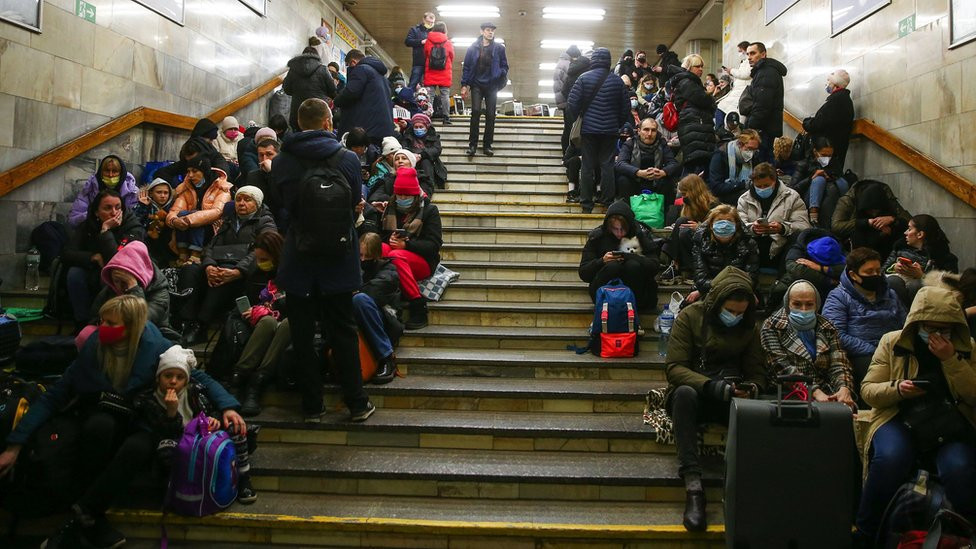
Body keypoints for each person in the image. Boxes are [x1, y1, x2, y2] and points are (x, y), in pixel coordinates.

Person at [0, 295, 236, 548]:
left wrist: (228, 406)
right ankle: (93, 516)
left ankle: (82, 517)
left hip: (142, 419)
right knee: (99, 426)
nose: (103, 327)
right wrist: (15, 445)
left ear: (132, 326)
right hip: (103, 419)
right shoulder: (93, 347)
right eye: (102, 320)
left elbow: (199, 376)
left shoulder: (156, 346)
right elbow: (55, 395)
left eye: (112, 323)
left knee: (139, 446)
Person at [271, 98, 374, 422]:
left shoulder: (282, 161)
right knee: (342, 330)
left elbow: (281, 207)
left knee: (301, 334)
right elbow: (354, 202)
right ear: (329, 123)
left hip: (299, 258)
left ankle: (312, 406)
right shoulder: (346, 159)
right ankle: (356, 403)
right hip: (338, 256)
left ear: (300, 123)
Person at [854, 286, 976, 544]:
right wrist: (898, 389)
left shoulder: (968, 348)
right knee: (891, 459)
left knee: (960, 468)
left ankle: (964, 535)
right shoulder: (893, 342)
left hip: (949, 422)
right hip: (899, 417)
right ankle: (865, 533)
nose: (936, 336)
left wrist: (951, 359)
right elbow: (868, 391)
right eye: (930, 329)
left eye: (944, 330)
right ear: (917, 324)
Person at [665, 266, 766, 532]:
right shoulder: (690, 316)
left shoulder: (749, 327)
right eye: (730, 311)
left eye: (740, 312)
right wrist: (710, 386)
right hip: (696, 390)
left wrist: (751, 388)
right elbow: (675, 368)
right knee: (684, 395)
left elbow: (757, 373)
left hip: (730, 394)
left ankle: (745, 490)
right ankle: (693, 485)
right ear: (717, 301)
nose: (735, 316)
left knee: (753, 410)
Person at [132, 345, 255, 504]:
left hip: (202, 437)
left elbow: (210, 411)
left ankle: (244, 478)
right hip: (179, 441)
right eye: (168, 376)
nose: (173, 381)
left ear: (186, 380)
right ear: (158, 377)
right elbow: (164, 433)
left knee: (235, 425)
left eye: (180, 377)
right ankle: (176, 488)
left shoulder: (194, 391)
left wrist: (213, 419)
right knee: (165, 447)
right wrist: (171, 412)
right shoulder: (148, 399)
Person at [177, 186, 276, 346]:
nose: (241, 203)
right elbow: (211, 246)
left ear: (257, 203)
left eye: (247, 199)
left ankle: (202, 325)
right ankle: (187, 322)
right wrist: (209, 266)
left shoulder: (265, 222)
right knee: (189, 270)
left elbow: (262, 251)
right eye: (238, 199)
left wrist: (238, 271)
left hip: (244, 272)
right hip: (219, 264)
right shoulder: (229, 220)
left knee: (222, 279)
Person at [761, 280, 856, 408]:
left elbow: (838, 363)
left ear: (816, 305)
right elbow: (782, 367)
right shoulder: (772, 326)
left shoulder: (828, 327)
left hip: (826, 390)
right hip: (786, 391)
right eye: (797, 304)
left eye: (809, 304)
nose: (804, 310)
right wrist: (815, 392)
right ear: (787, 304)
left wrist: (844, 388)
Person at [823, 247, 907, 388]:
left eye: (878, 271)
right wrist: (875, 351)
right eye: (869, 272)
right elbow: (836, 335)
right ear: (854, 275)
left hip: (893, 351)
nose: (876, 275)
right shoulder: (838, 297)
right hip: (862, 354)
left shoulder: (890, 294)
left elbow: (905, 324)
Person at [62, 190, 145, 329]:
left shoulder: (132, 227)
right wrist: (92, 257)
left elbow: (117, 259)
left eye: (118, 207)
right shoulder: (88, 225)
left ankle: (107, 322)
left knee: (109, 278)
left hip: (122, 274)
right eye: (107, 208)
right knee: (74, 274)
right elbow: (67, 253)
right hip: (93, 269)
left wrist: (105, 231)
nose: (114, 213)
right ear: (96, 212)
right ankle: (81, 323)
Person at [231, 231, 288, 417]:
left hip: (287, 321)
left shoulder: (290, 273)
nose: (260, 262)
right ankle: (240, 376)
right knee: (268, 323)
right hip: (260, 323)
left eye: (264, 258)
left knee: (287, 323)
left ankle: (259, 381)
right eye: (258, 258)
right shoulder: (255, 274)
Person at [566, 47, 629, 214]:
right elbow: (626, 108)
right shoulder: (617, 81)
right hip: (610, 131)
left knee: (587, 166)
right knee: (607, 165)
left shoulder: (583, 78)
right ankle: (607, 202)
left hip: (588, 130)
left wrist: (580, 117)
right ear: (608, 60)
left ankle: (586, 204)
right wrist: (616, 123)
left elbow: (572, 104)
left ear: (593, 60)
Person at [379, 167, 442, 330]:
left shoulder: (429, 211)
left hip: (423, 261)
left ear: (415, 195)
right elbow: (382, 237)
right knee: (381, 248)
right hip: (397, 255)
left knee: (396, 255)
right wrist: (391, 239)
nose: (402, 198)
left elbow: (433, 245)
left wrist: (407, 244)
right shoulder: (390, 208)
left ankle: (417, 304)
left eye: (406, 195)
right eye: (399, 195)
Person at [578, 201, 661, 311]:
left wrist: (630, 257)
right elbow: (584, 273)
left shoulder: (641, 234)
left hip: (639, 292)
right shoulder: (597, 237)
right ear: (609, 227)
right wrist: (602, 261)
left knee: (632, 266)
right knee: (613, 266)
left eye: (623, 229)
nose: (619, 233)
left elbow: (654, 266)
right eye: (615, 229)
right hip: (606, 292)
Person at [90, 240, 179, 341]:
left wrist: (133, 287)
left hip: (150, 336)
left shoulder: (160, 292)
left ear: (139, 276)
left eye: (124, 281)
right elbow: (94, 318)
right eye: (116, 281)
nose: (119, 286)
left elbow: (139, 321)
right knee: (87, 334)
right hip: (116, 334)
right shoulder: (111, 288)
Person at [736, 162, 811, 273]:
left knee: (799, 238)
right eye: (758, 186)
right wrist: (752, 228)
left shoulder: (792, 197)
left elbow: (804, 226)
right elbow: (739, 225)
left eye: (766, 186)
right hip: (752, 248)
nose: (762, 189)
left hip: (781, 248)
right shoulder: (744, 199)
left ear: (774, 181)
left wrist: (783, 228)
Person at [165, 156, 232, 265]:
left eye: (195, 171)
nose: (190, 175)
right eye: (188, 171)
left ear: (204, 172)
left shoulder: (222, 188)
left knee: (194, 217)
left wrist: (190, 219)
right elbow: (175, 210)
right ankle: (183, 254)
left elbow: (217, 212)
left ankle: (195, 255)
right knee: (181, 214)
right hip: (187, 228)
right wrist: (174, 220)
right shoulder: (185, 188)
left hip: (213, 228)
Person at [883, 214, 959, 306]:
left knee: (917, 285)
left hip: (929, 303)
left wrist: (922, 276)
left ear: (920, 234)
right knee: (893, 281)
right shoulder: (900, 248)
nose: (905, 233)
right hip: (898, 292)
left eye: (909, 229)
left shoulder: (944, 257)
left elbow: (950, 285)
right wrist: (894, 267)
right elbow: (882, 270)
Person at [688, 205, 759, 303]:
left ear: (736, 224)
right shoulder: (701, 242)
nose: (724, 224)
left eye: (729, 220)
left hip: (740, 291)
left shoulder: (748, 243)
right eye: (719, 220)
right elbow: (701, 279)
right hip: (710, 290)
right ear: (711, 224)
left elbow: (751, 277)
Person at [357, 233, 401, 383]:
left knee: (360, 299)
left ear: (376, 255)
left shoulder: (389, 270)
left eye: (367, 256)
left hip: (383, 317)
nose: (363, 260)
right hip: (355, 317)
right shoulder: (354, 267)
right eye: (361, 255)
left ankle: (387, 357)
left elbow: (374, 292)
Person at [460, 22, 509, 157]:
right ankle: (472, 145)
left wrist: (501, 73)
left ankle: (487, 145)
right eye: (488, 30)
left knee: (491, 114)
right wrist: (464, 85)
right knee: (475, 111)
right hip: (476, 84)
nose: (490, 32)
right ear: (482, 32)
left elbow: (505, 65)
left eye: (492, 30)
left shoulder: (499, 48)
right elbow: (467, 67)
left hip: (492, 85)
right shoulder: (473, 48)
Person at [832, 178, 911, 259]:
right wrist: (867, 222)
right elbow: (837, 226)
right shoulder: (848, 201)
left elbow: (909, 222)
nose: (874, 214)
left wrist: (893, 219)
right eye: (871, 211)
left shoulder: (885, 196)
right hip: (860, 241)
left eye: (876, 210)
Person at [661, 175, 721, 284]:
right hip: (691, 240)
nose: (683, 197)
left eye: (684, 194)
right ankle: (675, 263)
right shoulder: (689, 205)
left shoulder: (713, 206)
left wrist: (700, 227)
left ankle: (676, 265)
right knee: (681, 223)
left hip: (710, 240)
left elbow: (718, 230)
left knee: (683, 230)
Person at [668, 54, 717, 177]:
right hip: (694, 126)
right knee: (694, 164)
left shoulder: (690, 82)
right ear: (689, 67)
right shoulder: (687, 82)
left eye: (702, 66)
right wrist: (710, 95)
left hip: (696, 127)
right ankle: (685, 194)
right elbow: (702, 99)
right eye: (697, 66)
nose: (701, 69)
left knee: (695, 164)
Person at [334, 49, 395, 144]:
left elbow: (350, 92)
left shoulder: (361, 69)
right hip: (382, 130)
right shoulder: (383, 78)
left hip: (365, 130)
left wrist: (336, 100)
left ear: (353, 62)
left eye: (348, 65)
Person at [614, 117, 680, 203]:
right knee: (623, 180)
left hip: (656, 181)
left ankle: (663, 212)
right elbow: (620, 164)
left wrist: (663, 172)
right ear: (639, 131)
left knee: (668, 181)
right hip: (635, 182)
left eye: (653, 130)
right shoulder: (630, 143)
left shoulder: (662, 143)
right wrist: (638, 172)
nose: (649, 134)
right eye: (646, 130)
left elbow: (673, 163)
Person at [789, 136, 849, 227]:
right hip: (808, 198)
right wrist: (811, 178)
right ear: (815, 152)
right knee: (819, 179)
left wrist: (830, 177)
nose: (827, 158)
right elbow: (792, 189)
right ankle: (813, 216)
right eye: (824, 155)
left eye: (830, 155)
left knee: (841, 182)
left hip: (832, 196)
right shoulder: (804, 164)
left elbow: (840, 180)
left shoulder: (835, 164)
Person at [802, 69, 854, 173]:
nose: (827, 83)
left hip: (827, 150)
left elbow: (819, 123)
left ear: (835, 84)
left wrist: (806, 122)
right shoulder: (843, 100)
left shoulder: (836, 101)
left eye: (829, 81)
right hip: (835, 149)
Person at [742, 42, 787, 163]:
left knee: (762, 164)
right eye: (748, 54)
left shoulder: (766, 73)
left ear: (763, 54)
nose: (749, 57)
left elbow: (762, 105)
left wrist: (751, 127)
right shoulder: (763, 71)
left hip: (762, 128)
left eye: (753, 53)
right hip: (766, 127)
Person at [775, 228, 846, 303]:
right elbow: (797, 271)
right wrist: (829, 281)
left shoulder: (836, 246)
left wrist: (820, 268)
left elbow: (847, 269)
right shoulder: (799, 248)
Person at [69, 155, 139, 227]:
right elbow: (73, 219)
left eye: (115, 171)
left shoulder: (132, 192)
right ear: (101, 173)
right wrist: (97, 216)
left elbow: (135, 222)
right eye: (107, 171)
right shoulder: (90, 189)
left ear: (121, 173)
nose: (110, 175)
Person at [283, 46, 337, 132]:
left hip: (298, 114)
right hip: (319, 114)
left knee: (299, 141)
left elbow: (286, 89)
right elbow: (333, 90)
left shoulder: (293, 70)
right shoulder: (323, 69)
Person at [241, 137, 285, 229]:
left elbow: (279, 200)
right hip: (261, 218)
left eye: (269, 154)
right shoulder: (253, 175)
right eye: (261, 155)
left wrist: (271, 173)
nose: (264, 159)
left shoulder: (286, 173)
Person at [708, 129, 760, 204]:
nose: (751, 153)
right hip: (722, 199)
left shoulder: (753, 159)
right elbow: (716, 188)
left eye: (755, 150)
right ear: (740, 144)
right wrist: (742, 185)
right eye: (749, 149)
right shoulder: (720, 155)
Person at [133, 177, 176, 266]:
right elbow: (135, 223)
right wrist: (143, 207)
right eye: (159, 192)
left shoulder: (173, 208)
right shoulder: (143, 206)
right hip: (148, 244)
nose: (163, 196)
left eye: (166, 193)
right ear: (151, 193)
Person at [400, 113, 447, 189]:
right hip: (412, 161)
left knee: (426, 162)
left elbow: (436, 150)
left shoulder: (433, 136)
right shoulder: (408, 135)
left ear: (426, 127)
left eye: (421, 127)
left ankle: (428, 187)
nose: (418, 129)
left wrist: (421, 155)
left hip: (429, 163)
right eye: (416, 127)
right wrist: (412, 156)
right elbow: (404, 147)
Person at [423, 21, 455, 125]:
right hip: (444, 71)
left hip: (431, 70)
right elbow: (451, 56)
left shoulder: (428, 41)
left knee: (430, 95)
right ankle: (446, 117)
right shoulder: (448, 42)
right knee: (445, 95)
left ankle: (428, 116)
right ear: (444, 29)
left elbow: (426, 53)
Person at [554, 45, 583, 152]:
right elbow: (566, 85)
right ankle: (567, 152)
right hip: (567, 100)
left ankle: (566, 152)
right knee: (570, 128)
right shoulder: (567, 64)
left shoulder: (561, 62)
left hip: (563, 99)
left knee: (568, 127)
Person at [716, 41, 752, 123]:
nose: (739, 54)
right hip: (736, 94)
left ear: (745, 50)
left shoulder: (749, 62)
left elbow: (746, 74)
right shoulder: (744, 62)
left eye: (740, 51)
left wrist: (731, 71)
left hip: (740, 95)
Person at [405, 12, 436, 90]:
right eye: (428, 22)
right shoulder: (415, 30)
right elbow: (408, 41)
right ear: (424, 20)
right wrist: (421, 42)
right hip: (418, 62)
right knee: (413, 83)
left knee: (429, 87)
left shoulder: (435, 32)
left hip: (431, 64)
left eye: (432, 22)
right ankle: (408, 100)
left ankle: (428, 101)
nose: (430, 24)